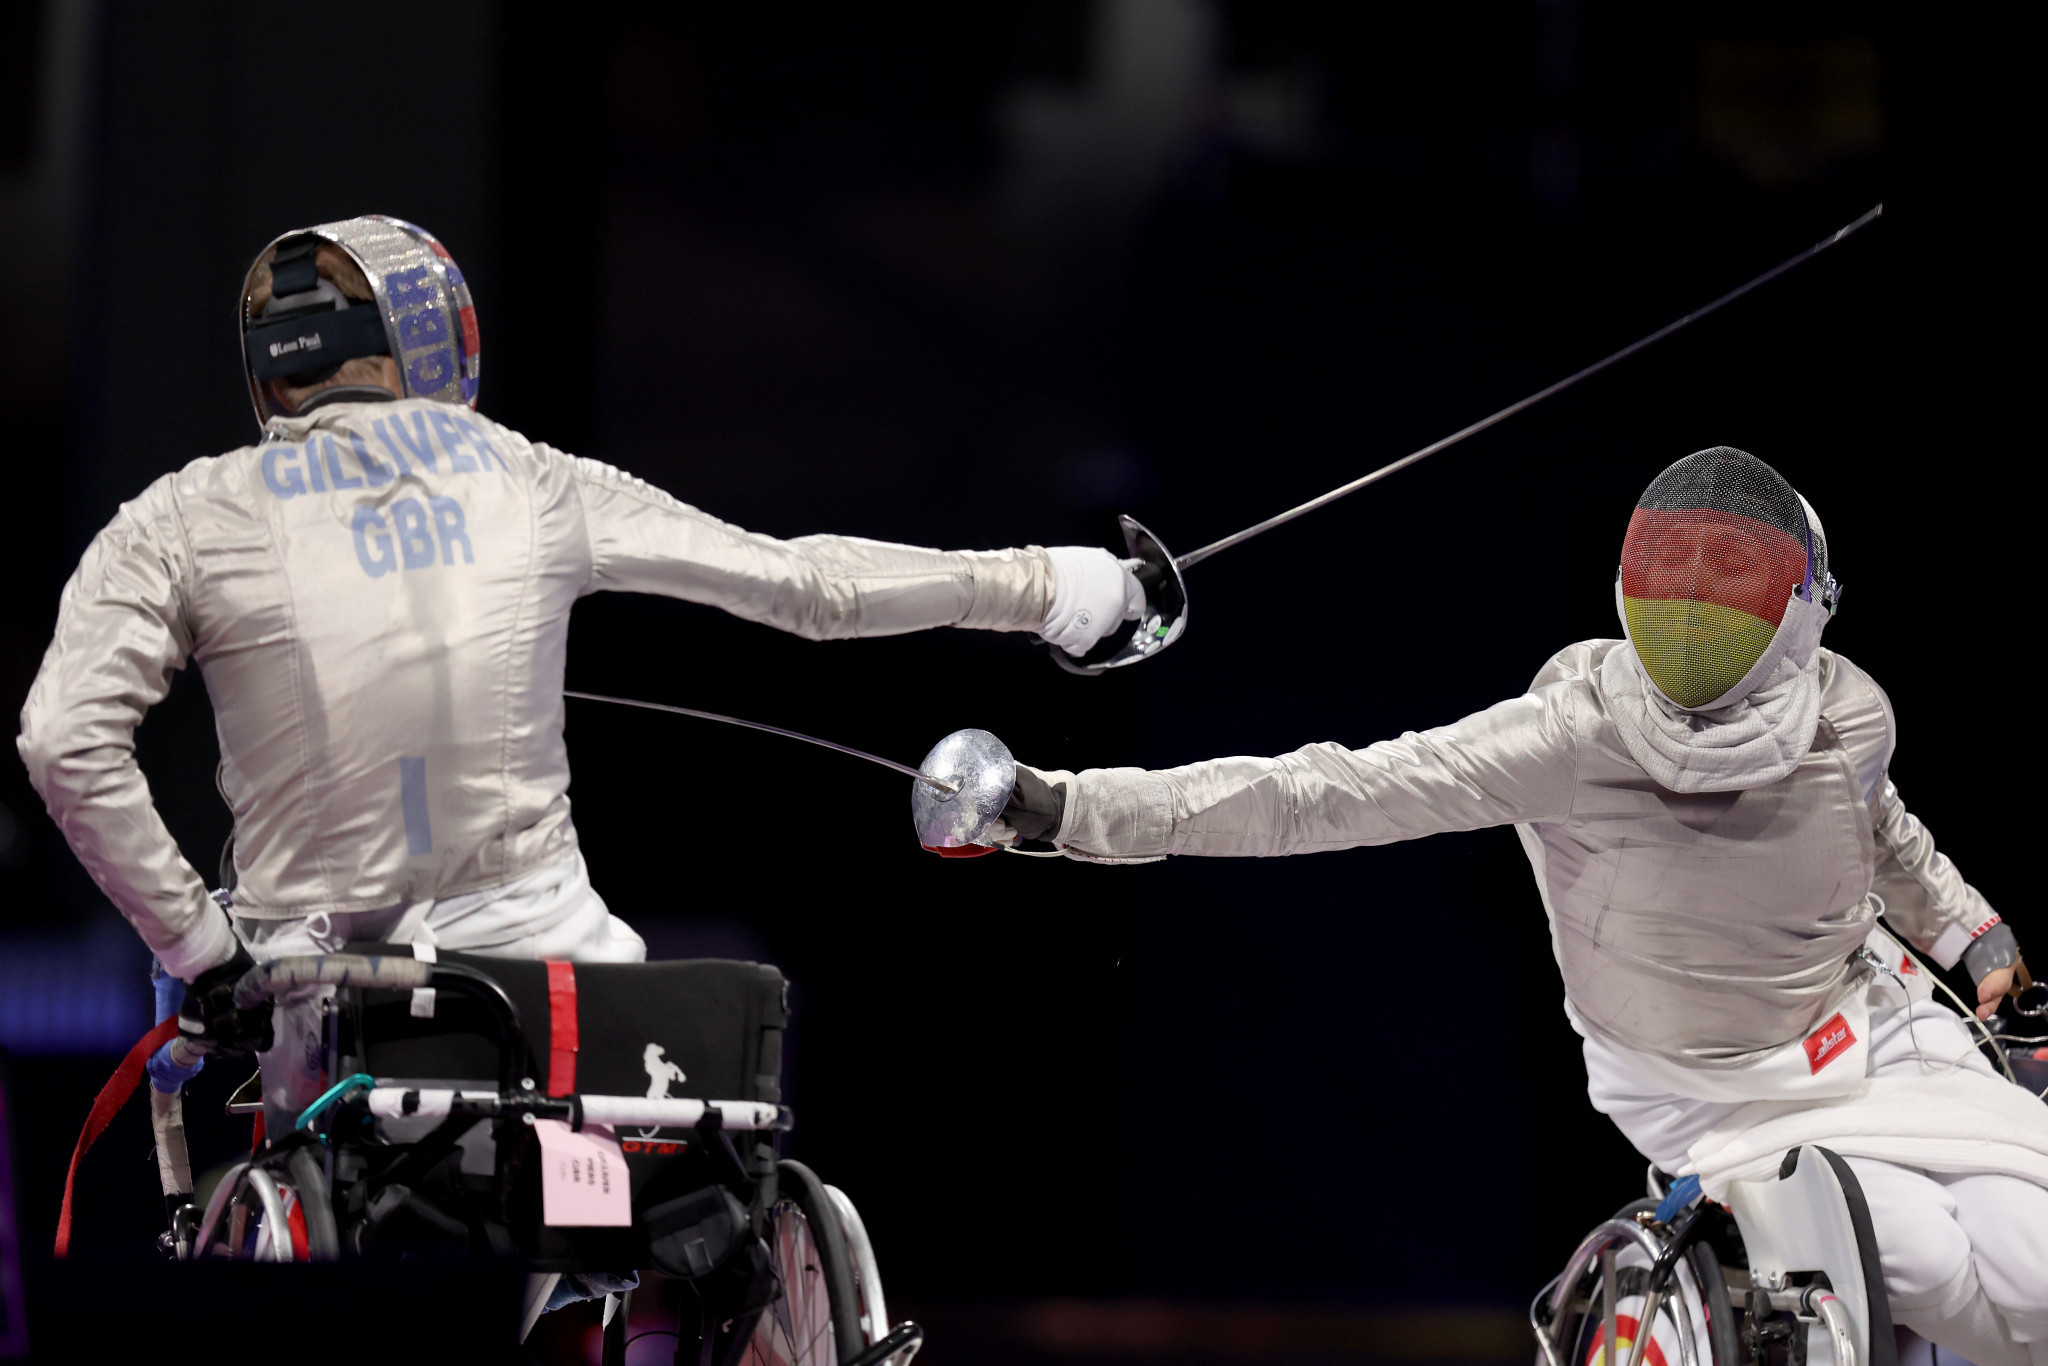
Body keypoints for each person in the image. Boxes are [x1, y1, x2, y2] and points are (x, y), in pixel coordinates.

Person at [15, 214, 1156, 1137]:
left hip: (323, 1028)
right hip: (567, 1014)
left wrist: (198, 951)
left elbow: (62, 738)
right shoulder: (528, 477)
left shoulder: (180, 513)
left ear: (272, 377)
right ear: (427, 342)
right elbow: (808, 588)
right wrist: (1057, 585)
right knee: (687, 1173)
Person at [983, 446, 2048, 1363]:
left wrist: (1969, 930)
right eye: (1672, 570)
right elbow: (1314, 791)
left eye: (1726, 576)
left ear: (1799, 603)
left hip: (1877, 1032)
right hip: (1705, 1091)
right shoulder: (1570, 733)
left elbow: (1879, 827)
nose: (1691, 603)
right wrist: (1067, 807)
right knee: (1911, 1260)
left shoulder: (1846, 711)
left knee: (2034, 1276)